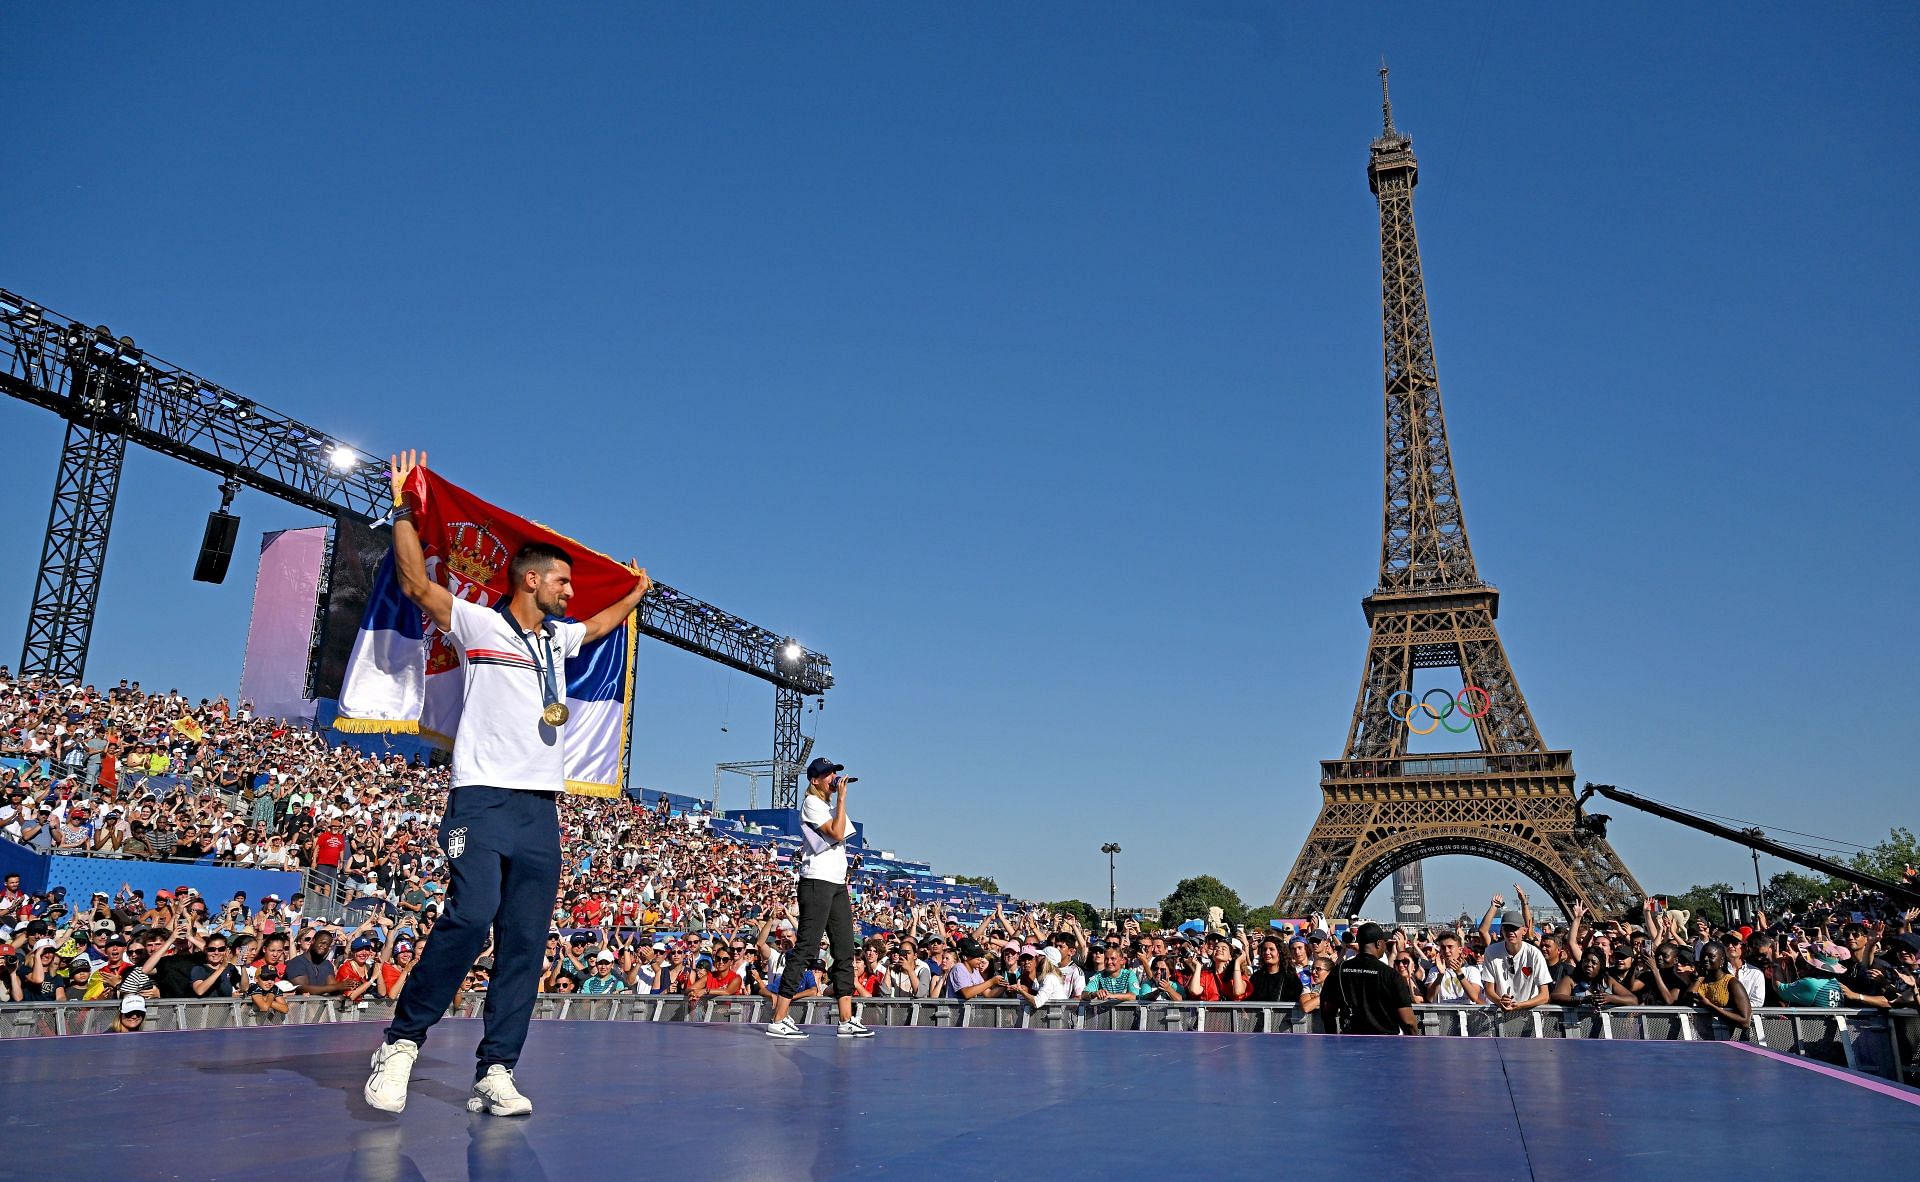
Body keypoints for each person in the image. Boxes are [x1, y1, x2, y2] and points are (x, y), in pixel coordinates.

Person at [364, 449, 651, 1116]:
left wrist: (634, 594)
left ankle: (496, 1070)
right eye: (561, 582)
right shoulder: (478, 623)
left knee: (525, 939)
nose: (570, 593)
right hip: (481, 799)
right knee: (469, 916)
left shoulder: (559, 641)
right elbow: (415, 585)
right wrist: (407, 509)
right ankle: (401, 1043)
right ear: (528, 580)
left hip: (539, 811)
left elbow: (603, 624)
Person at [764, 757, 872, 1039]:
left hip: (836, 883)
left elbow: (841, 832)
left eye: (835, 773)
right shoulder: (812, 803)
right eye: (828, 775)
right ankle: (779, 1017)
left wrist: (839, 800)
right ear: (815, 780)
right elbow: (836, 832)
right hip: (817, 882)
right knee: (807, 949)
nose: (834, 779)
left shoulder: (827, 806)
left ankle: (846, 1019)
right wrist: (843, 797)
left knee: (845, 949)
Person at [1317, 922, 1417, 1035]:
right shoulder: (1390, 974)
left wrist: (1332, 1038)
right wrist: (1414, 1043)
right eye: (1384, 943)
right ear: (1379, 943)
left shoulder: (1339, 971)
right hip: (1386, 1045)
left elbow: (1327, 1011)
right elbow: (1408, 1022)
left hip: (1350, 1042)